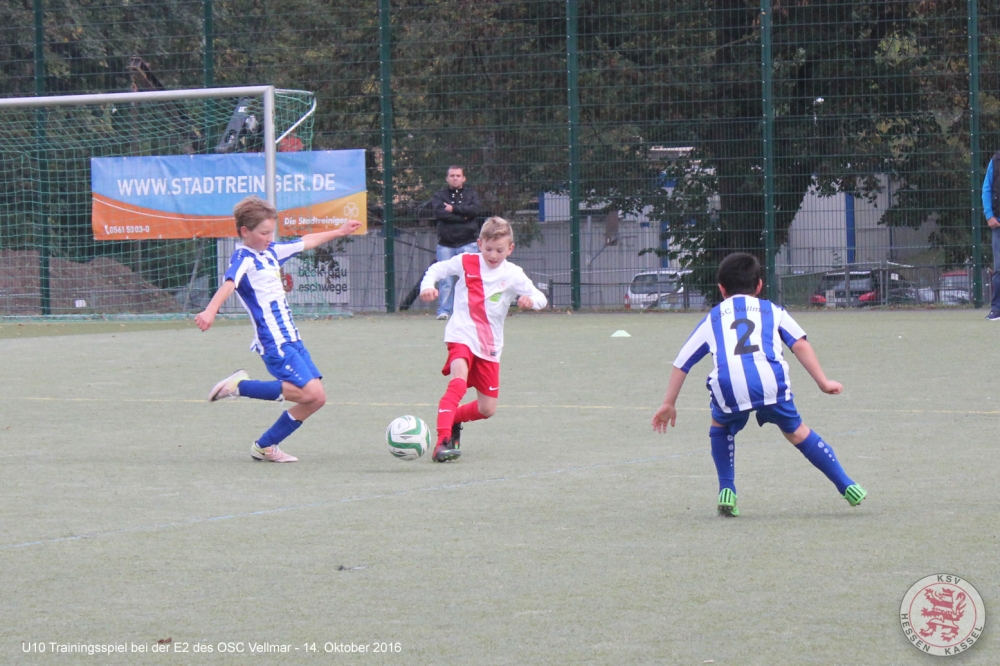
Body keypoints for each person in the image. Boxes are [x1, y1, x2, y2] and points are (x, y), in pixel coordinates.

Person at [651, 253, 866, 516]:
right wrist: (823, 382)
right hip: (770, 382)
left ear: (721, 289)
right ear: (760, 285)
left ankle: (726, 489)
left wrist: (669, 403)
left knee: (721, 426)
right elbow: (799, 344)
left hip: (730, 385)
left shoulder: (713, 318)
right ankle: (847, 484)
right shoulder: (773, 311)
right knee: (797, 431)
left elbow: (682, 362)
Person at [195, 195, 362, 462]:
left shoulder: (272, 252)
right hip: (274, 342)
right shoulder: (244, 258)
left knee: (317, 398)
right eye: (263, 233)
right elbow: (229, 283)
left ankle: (265, 446)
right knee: (310, 393)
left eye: (271, 232)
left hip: (293, 339)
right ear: (245, 232)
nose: (269, 237)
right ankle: (240, 386)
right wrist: (210, 310)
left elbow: (306, 241)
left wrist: (339, 232)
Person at [419, 216, 547, 462]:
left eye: (499, 250)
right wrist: (427, 285)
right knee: (458, 381)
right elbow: (437, 269)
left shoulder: (513, 274)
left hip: (490, 346)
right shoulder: (466, 261)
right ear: (479, 244)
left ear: (510, 249)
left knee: (487, 409)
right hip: (461, 334)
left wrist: (531, 301)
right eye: (488, 249)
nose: (493, 255)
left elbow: (541, 298)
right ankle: (442, 442)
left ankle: (453, 419)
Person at [430, 166, 482, 320]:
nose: (455, 178)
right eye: (452, 175)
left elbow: (475, 211)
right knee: (445, 280)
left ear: (463, 178)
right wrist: (463, 216)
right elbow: (439, 213)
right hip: (446, 244)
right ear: (447, 178)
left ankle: (469, 310)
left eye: (458, 175)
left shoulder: (472, 194)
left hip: (468, 242)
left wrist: (452, 209)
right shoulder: (439, 195)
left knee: (469, 278)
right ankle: (444, 311)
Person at [981, 152, 1000, 319]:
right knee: (999, 268)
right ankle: (997, 309)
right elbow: (986, 189)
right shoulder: (996, 160)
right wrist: (989, 215)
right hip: (998, 223)